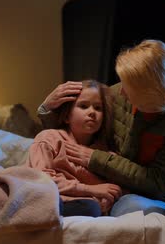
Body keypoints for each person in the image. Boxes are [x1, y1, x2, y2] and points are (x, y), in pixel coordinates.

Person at [37, 40, 165, 216]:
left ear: (148, 94)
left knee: (132, 212)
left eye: (128, 87)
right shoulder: (119, 94)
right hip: (112, 186)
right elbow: (70, 135)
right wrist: (48, 110)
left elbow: (161, 184)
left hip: (162, 196)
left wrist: (96, 159)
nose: (122, 91)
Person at [26, 79, 122, 217]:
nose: (92, 112)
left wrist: (108, 197)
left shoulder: (105, 154)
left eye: (98, 108)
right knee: (90, 208)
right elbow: (42, 179)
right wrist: (90, 189)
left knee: (94, 208)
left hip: (86, 203)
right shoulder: (49, 139)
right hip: (53, 198)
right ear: (66, 116)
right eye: (83, 106)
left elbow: (111, 189)